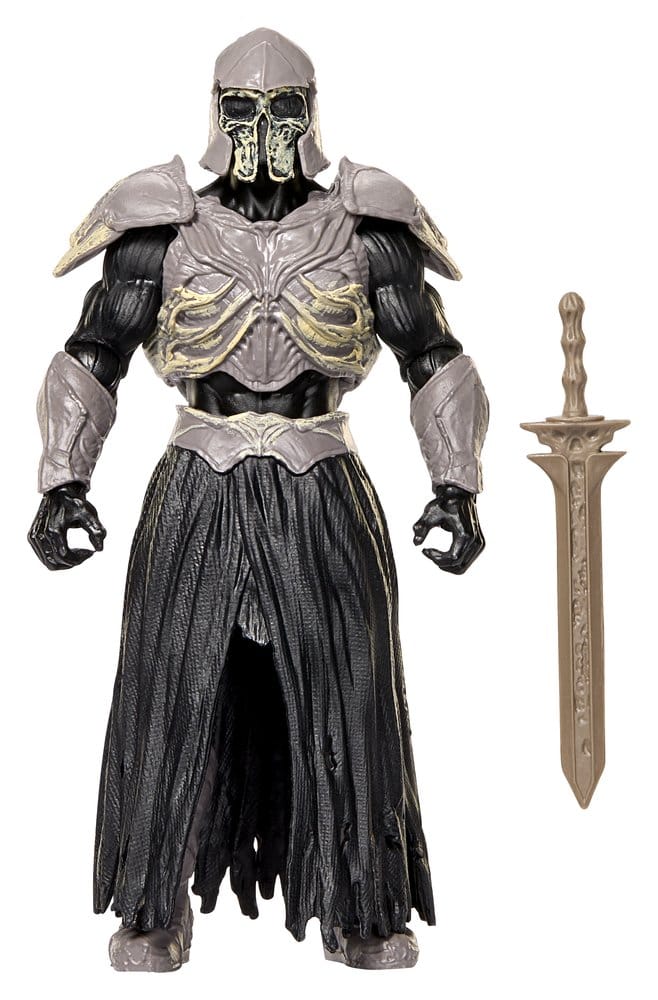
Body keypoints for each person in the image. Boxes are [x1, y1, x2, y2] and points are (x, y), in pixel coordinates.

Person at [29, 28, 488, 972]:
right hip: (197, 479)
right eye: (243, 109)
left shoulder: (369, 228)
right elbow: (95, 352)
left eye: (283, 111)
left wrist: (456, 483)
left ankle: (364, 905)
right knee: (170, 691)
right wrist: (64, 477)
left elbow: (432, 357)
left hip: (324, 480)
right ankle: (152, 907)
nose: (263, 130)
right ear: (216, 111)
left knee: (351, 693)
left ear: (311, 114)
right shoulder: (158, 227)